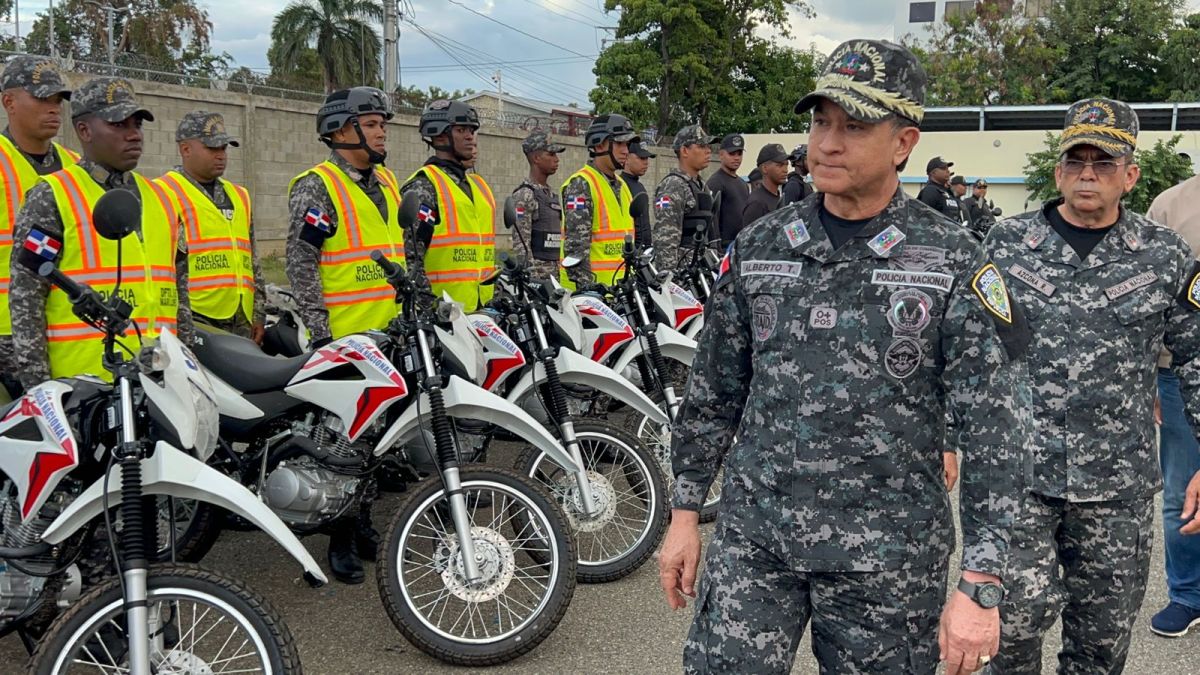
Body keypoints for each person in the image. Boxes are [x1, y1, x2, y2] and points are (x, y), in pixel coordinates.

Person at [658, 39, 1027, 675]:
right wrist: (685, 511)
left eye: (854, 127)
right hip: (757, 540)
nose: (827, 144)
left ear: (904, 143)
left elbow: (998, 429)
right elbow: (714, 392)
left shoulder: (954, 260)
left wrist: (982, 580)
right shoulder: (762, 246)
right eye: (820, 122)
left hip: (887, 559)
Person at [986, 98, 1200, 673]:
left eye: (1103, 162)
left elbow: (1196, 356)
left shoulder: (1165, 255)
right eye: (1076, 160)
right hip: (1020, 478)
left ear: (1130, 176)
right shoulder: (1004, 245)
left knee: (1101, 647)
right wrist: (951, 441)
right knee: (1007, 637)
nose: (1088, 173)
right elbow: (972, 352)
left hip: (1117, 487)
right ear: (1058, 172)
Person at [286, 86, 403, 585]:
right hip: (343, 339)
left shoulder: (387, 183)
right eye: (371, 124)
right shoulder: (317, 186)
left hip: (387, 334)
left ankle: (361, 522)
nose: (381, 133)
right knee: (341, 446)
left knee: (373, 445)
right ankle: (338, 538)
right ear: (339, 131)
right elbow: (301, 263)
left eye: (382, 124)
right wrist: (320, 334)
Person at [9, 77, 193, 388]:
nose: (134, 135)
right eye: (119, 124)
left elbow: (180, 293)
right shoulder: (52, 196)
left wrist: (187, 367)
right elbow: (26, 297)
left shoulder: (163, 198)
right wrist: (38, 387)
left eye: (137, 124)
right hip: (85, 387)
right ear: (84, 130)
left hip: (159, 379)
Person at [0, 55, 77, 387]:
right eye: (42, 98)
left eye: (57, 100)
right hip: (7, 332)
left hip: (70, 328)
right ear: (8, 102)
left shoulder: (76, 167)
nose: (54, 109)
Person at [157, 111, 264, 342]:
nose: (221, 155)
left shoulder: (239, 195)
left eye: (224, 148)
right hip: (195, 318)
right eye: (212, 148)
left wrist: (258, 312)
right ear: (185, 149)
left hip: (241, 316)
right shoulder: (162, 193)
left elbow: (252, 259)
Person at [1147, 173, 1200, 638]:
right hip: (1179, 370)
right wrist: (1149, 377)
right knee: (1181, 489)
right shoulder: (1171, 205)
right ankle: (1187, 594)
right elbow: (1150, 299)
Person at [400, 99, 496, 309]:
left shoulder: (478, 186)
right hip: (443, 314)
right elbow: (410, 260)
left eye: (471, 130)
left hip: (484, 311)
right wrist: (430, 308)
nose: (470, 136)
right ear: (440, 135)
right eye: (461, 130)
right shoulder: (424, 186)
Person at [560, 113, 638, 291]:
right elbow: (576, 250)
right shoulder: (581, 184)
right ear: (599, 144)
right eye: (619, 143)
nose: (626, 150)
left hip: (621, 293)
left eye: (627, 144)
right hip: (591, 295)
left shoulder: (622, 185)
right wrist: (590, 293)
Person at [653, 125, 717, 271]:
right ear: (684, 151)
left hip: (700, 270)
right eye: (701, 146)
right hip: (682, 273)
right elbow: (665, 238)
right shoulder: (673, 185)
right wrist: (669, 276)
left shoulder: (701, 185)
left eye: (708, 146)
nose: (708, 151)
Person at [511, 130, 565, 279]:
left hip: (556, 277)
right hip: (539, 280)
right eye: (551, 154)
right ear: (536, 158)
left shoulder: (550, 195)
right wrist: (533, 281)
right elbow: (521, 245)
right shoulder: (524, 195)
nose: (557, 159)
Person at [707, 133, 749, 248]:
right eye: (731, 154)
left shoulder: (743, 183)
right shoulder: (715, 182)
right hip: (724, 247)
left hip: (741, 244)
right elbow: (711, 218)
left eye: (739, 153)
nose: (736, 158)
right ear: (721, 155)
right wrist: (716, 247)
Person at [741, 142, 789, 224]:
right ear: (764, 168)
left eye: (786, 165)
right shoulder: (757, 203)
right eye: (779, 165)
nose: (785, 170)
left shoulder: (777, 196)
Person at [621, 140, 655, 250]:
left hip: (644, 252)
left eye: (647, 158)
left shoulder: (640, 186)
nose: (646, 163)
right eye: (641, 158)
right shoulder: (620, 186)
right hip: (630, 251)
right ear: (627, 158)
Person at [917, 156, 962, 223]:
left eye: (947, 168)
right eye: (943, 168)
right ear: (933, 173)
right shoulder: (930, 191)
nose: (948, 171)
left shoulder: (947, 192)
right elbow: (923, 219)